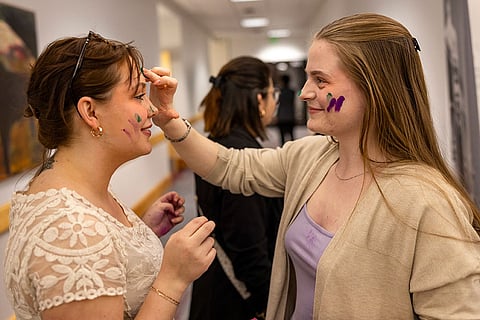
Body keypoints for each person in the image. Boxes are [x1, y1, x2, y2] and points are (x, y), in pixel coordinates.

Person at [147, 13, 480, 319]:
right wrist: (171, 122)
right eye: (307, 78)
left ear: (374, 87)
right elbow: (232, 167)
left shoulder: (428, 203)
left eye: (320, 80)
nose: (305, 93)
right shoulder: (312, 157)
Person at [3, 31, 216, 320]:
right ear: (90, 112)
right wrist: (173, 279)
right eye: (139, 95)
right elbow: (83, 249)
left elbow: (103, 271)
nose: (151, 109)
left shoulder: (73, 192)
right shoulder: (72, 232)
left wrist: (137, 237)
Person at [189, 56, 283, 320]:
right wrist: (268, 304)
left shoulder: (215, 144)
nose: (275, 100)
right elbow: (247, 245)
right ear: (258, 101)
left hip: (216, 280)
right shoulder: (243, 158)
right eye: (271, 92)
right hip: (237, 299)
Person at [275, 74, 296, 145]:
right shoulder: (292, 92)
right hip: (290, 116)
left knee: (282, 138)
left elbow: (277, 103)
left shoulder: (280, 92)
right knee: (291, 135)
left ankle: (283, 150)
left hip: (282, 116)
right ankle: (293, 149)